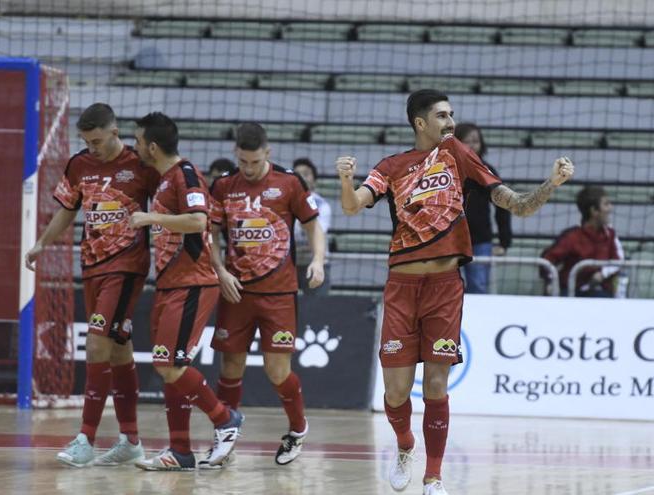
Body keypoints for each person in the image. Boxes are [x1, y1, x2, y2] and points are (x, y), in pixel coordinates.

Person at [336, 89, 574, 495]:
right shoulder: (392, 166)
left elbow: (516, 205)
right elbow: (352, 206)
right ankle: (405, 446)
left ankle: (433, 476)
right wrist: (345, 179)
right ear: (420, 123)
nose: (450, 122)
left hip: (445, 288)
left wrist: (550, 183)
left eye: (451, 114)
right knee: (395, 392)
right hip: (401, 286)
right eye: (442, 116)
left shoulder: (459, 155)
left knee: (435, 386)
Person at [25, 103, 158, 468]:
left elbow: (168, 203)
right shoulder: (79, 164)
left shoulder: (141, 167)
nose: (92, 147)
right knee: (118, 351)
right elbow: (68, 209)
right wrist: (42, 243)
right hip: (93, 266)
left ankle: (86, 438)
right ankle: (131, 441)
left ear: (115, 133)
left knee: (97, 343)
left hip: (128, 267)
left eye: (97, 140)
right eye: (86, 141)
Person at [127, 112, 243, 471]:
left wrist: (151, 219)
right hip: (168, 283)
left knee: (169, 364)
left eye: (138, 140)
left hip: (192, 282)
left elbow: (198, 220)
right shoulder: (164, 179)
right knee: (169, 367)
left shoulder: (185, 173)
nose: (135, 146)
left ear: (153, 146)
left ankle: (225, 419)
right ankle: (180, 451)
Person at [208, 124, 326, 468]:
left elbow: (312, 225)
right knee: (230, 367)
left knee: (277, 371)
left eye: (254, 161)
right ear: (236, 155)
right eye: (242, 161)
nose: (248, 167)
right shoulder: (223, 186)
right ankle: (224, 436)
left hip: (279, 294)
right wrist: (220, 271)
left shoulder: (288, 183)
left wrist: (317, 261)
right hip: (236, 291)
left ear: (268, 153)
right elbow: (211, 235)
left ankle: (297, 428)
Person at [453, 123, 512, 294]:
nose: (471, 146)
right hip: (447, 240)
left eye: (475, 141)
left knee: (478, 287)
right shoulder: (444, 170)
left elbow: (503, 205)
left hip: (478, 241)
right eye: (466, 141)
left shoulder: (486, 171)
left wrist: (504, 241)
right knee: (445, 288)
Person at [541, 185, 624, 297]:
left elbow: (618, 261)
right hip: (572, 293)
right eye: (606, 204)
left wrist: (602, 274)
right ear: (594, 211)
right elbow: (547, 260)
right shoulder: (572, 237)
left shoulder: (610, 235)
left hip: (601, 293)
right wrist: (551, 282)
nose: (610, 208)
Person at [292, 157, 332, 295]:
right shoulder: (287, 202)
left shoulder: (322, 204)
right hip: (292, 264)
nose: (302, 177)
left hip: (317, 263)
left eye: (306, 173)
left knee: (317, 312)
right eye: (298, 174)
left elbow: (316, 230)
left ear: (314, 179)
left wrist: (303, 211)